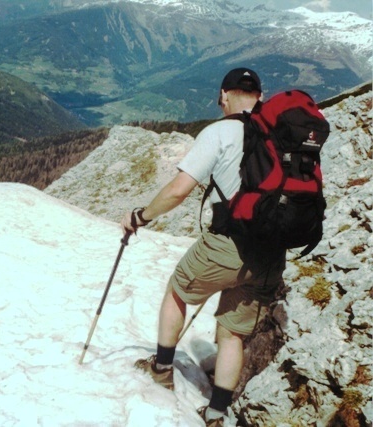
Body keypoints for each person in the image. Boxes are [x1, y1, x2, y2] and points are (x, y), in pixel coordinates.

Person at [121, 68, 286, 427]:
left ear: (224, 96)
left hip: (228, 244)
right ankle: (216, 413)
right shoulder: (282, 132)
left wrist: (142, 216)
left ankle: (162, 369)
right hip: (272, 253)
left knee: (177, 291)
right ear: (261, 96)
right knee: (232, 335)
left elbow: (179, 189)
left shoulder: (219, 132)